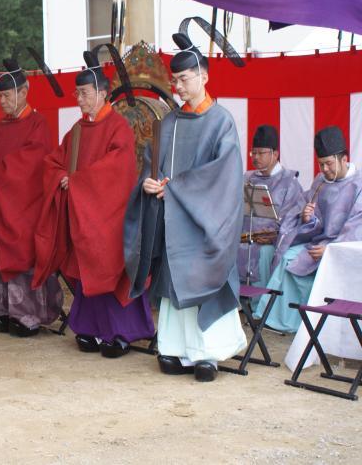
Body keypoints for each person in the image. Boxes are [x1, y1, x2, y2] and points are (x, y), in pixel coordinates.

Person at [124, 30, 247, 382]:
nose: (177, 85)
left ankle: (207, 354)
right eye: (174, 79)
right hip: (173, 222)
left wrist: (176, 190)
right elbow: (154, 166)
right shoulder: (169, 123)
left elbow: (222, 177)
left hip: (204, 222)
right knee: (172, 285)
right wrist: (148, 184)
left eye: (184, 78)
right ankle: (174, 349)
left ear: (204, 77)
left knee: (200, 278)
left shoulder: (220, 121)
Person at [33, 47, 154, 357]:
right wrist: (63, 177)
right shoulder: (76, 130)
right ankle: (91, 329)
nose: (79, 99)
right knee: (88, 271)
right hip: (84, 215)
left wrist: (76, 182)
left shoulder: (118, 128)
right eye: (77, 94)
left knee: (110, 269)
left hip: (111, 216)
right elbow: (54, 162)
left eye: (84, 93)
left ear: (102, 93)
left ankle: (121, 334)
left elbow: (117, 170)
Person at [0, 58, 63, 337]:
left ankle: (26, 316)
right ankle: (0, 310)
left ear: (24, 92)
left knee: (21, 255)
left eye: (6, 95)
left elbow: (33, 162)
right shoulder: (1, 126)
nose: (2, 101)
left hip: (24, 208)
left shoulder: (38, 125)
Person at [256, 126, 362, 332]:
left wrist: (331, 249)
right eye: (321, 164)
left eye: (329, 164)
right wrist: (307, 216)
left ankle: (302, 322)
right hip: (319, 242)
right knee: (287, 255)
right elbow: (309, 212)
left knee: (297, 260)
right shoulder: (321, 180)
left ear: (344, 159)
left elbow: (356, 226)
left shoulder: (358, 185)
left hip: (342, 247)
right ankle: (277, 319)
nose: (324, 170)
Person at [237, 125, 305, 288]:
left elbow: (290, 222)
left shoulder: (290, 182)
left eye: (261, 153)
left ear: (275, 154)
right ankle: (234, 305)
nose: (256, 157)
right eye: (254, 153)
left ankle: (260, 306)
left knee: (265, 252)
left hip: (269, 243)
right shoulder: (247, 178)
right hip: (243, 238)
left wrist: (273, 235)